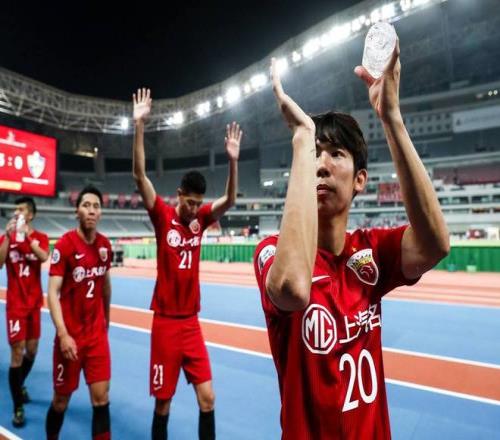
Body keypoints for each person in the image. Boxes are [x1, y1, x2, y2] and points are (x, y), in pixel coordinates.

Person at [253, 48, 450, 439]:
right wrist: (301, 139)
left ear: (360, 180)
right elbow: (293, 288)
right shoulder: (271, 251)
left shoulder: (371, 252)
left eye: (335, 154)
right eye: (314, 155)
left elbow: (434, 245)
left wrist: (391, 118)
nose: (321, 165)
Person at [132, 88, 241, 440]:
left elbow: (231, 199)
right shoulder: (162, 216)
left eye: (198, 203)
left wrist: (233, 161)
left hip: (191, 323)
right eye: (190, 202)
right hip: (165, 323)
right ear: (179, 195)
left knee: (208, 398)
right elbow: (140, 177)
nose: (194, 209)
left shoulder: (202, 220)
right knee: (163, 404)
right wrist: (139, 126)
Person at [45, 186, 113, 440]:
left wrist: (106, 320)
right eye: (86, 205)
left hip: (96, 337)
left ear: (101, 213)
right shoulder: (64, 245)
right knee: (61, 400)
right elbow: (52, 292)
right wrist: (63, 334)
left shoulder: (105, 246)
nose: (91, 211)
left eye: (96, 206)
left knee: (101, 399)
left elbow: (105, 286)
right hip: (70, 338)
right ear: (77, 211)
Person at [0, 196, 49, 427]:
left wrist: (27, 237)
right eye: (15, 209)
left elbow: (44, 256)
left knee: (32, 350)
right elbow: (0, 262)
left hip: (34, 304)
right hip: (15, 305)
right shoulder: (7, 237)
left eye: (21, 209)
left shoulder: (40, 237)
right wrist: (9, 237)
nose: (16, 213)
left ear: (30, 215)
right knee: (17, 353)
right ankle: (18, 406)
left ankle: (19, 384)